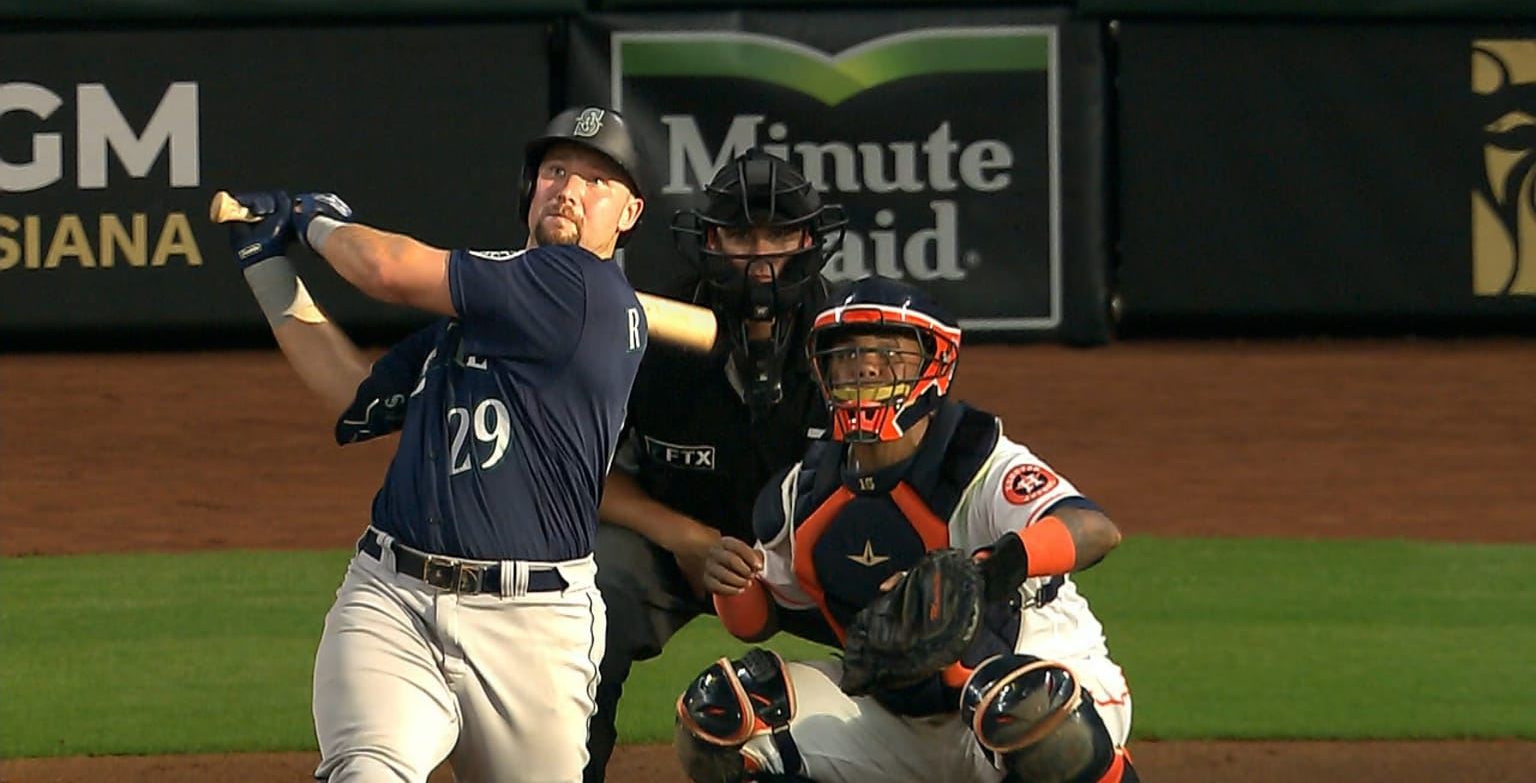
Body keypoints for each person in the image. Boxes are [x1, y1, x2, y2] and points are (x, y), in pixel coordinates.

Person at [221, 106, 649, 783]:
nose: (569, 188)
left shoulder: (583, 290)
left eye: (598, 180)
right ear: (530, 187)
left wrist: (314, 216)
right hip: (392, 598)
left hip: (532, 626)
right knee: (366, 773)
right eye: (557, 170)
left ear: (629, 214)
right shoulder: (489, 309)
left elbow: (386, 269)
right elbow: (353, 393)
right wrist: (262, 261)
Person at [673, 276, 1140, 783]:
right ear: (823, 368)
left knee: (1033, 717)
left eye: (889, 351)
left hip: (1042, 679)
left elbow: (1093, 528)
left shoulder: (976, 460)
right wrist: (732, 583)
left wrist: (987, 571)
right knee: (723, 718)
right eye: (847, 353)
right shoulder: (804, 491)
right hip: (896, 716)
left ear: (933, 365)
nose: (866, 365)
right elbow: (760, 619)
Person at [583, 148, 847, 782]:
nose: (761, 256)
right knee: (585, 606)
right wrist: (687, 539)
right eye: (740, 234)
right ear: (707, 240)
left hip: (812, 554)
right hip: (676, 544)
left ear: (810, 240)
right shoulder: (646, 333)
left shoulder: (847, 340)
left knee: (908, 630)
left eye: (780, 234)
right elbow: (583, 474)